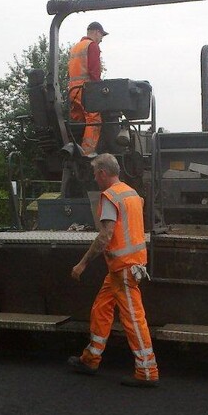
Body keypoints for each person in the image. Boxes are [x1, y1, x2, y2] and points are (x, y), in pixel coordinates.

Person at [68, 154, 159, 388]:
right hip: (123, 269)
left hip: (125, 269)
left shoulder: (109, 197)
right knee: (101, 309)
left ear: (102, 173)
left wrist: (82, 263)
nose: (95, 178)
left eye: (95, 174)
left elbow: (105, 236)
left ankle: (147, 372)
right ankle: (90, 359)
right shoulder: (131, 194)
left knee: (134, 321)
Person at [67, 21, 108, 156]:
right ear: (96, 32)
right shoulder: (92, 46)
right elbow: (94, 72)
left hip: (73, 91)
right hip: (87, 91)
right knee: (94, 120)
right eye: (102, 35)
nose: (101, 39)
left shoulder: (75, 47)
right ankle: (86, 153)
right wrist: (100, 89)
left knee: (79, 121)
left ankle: (74, 150)